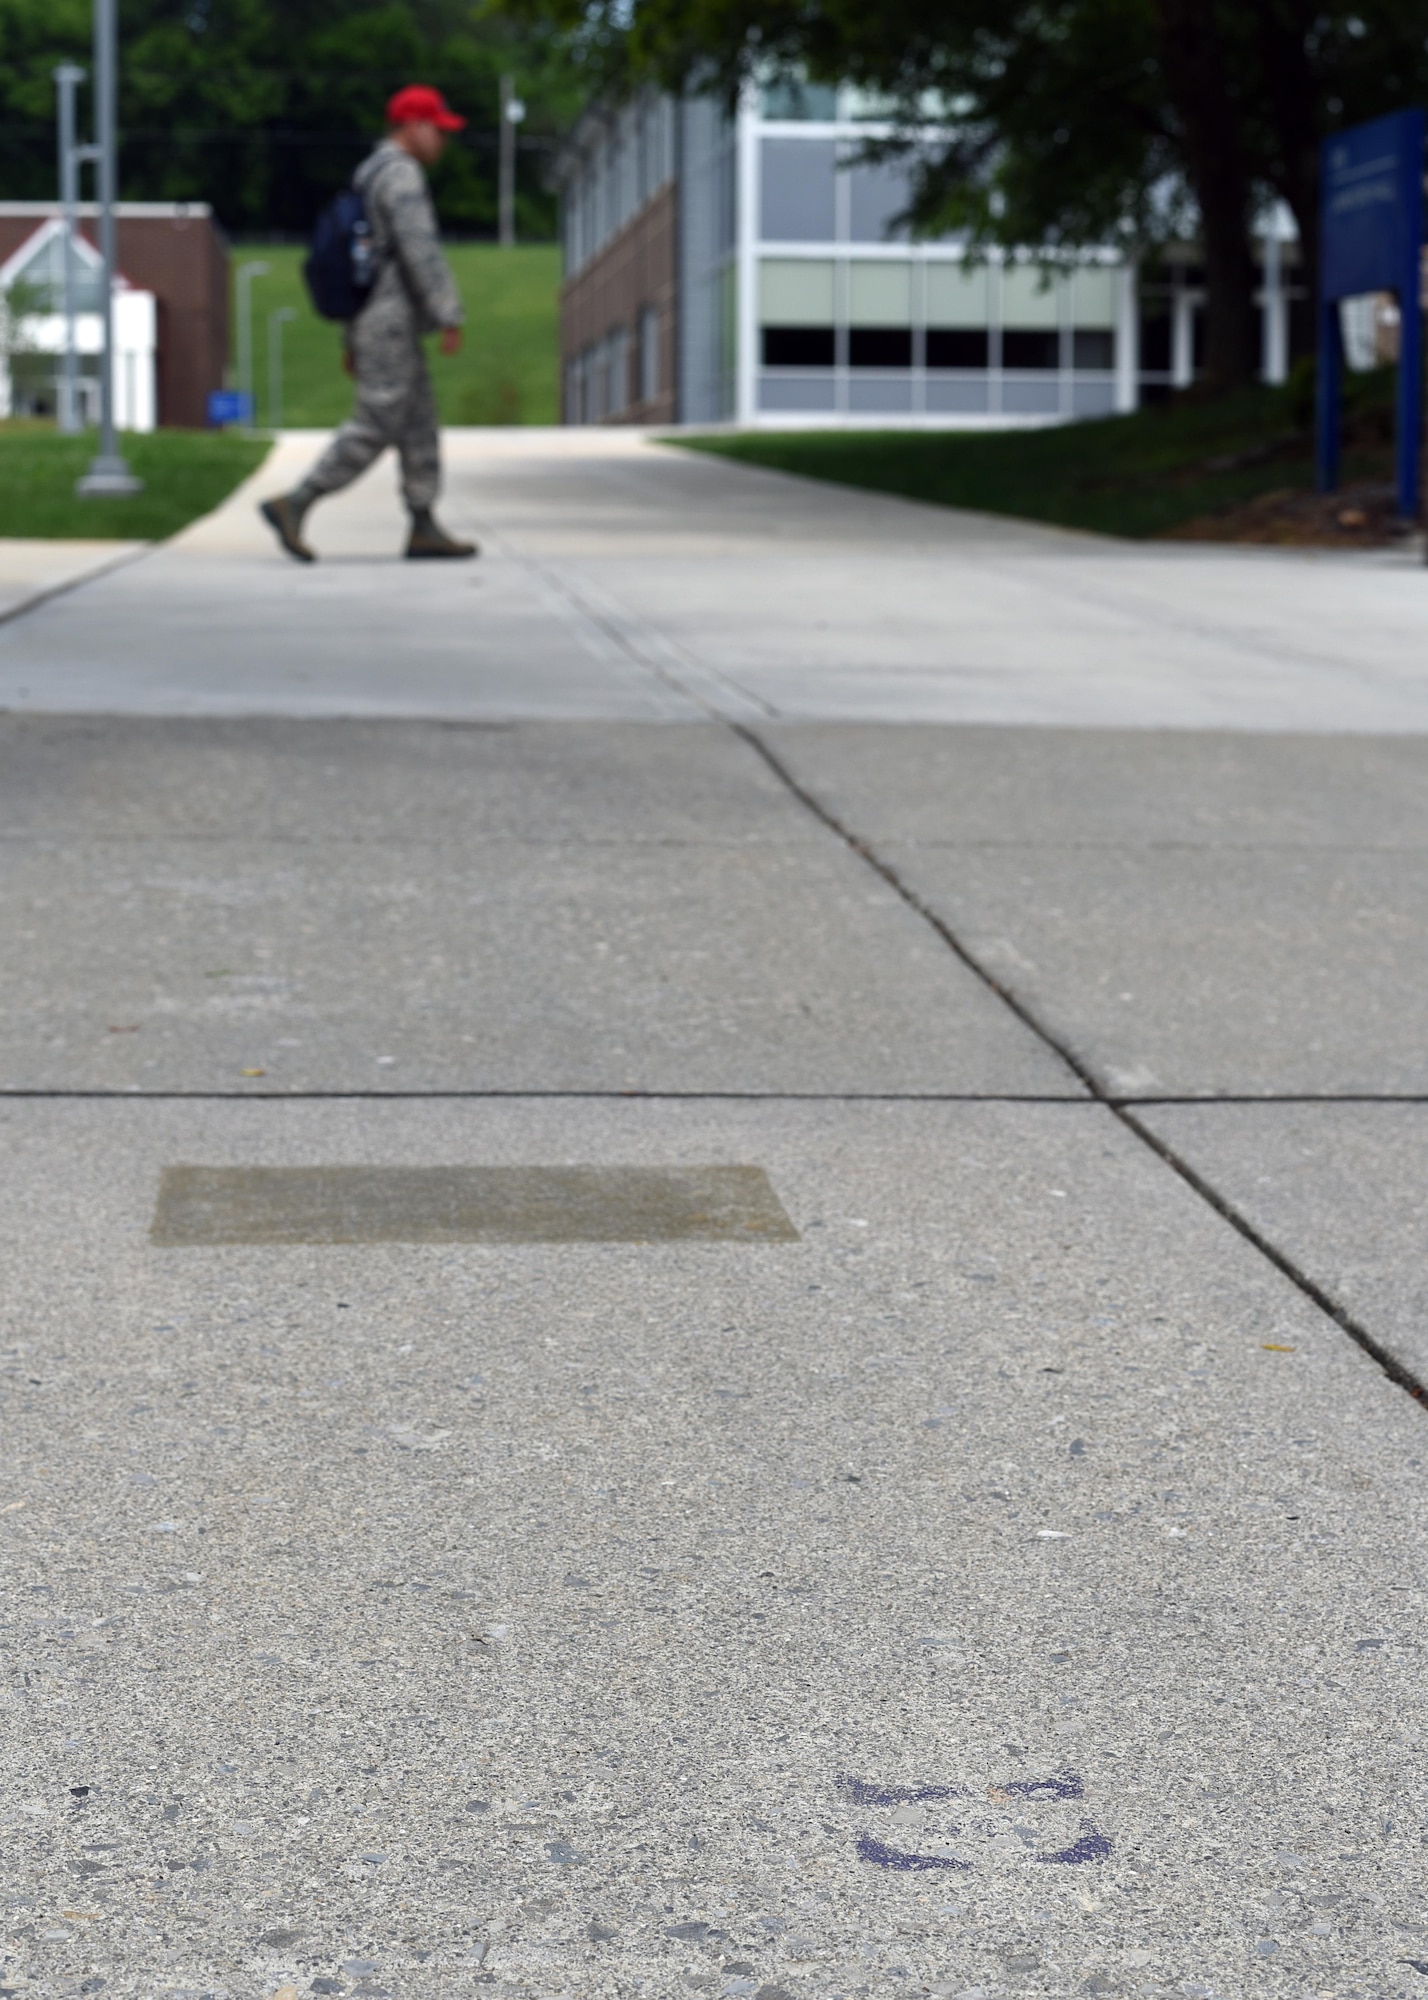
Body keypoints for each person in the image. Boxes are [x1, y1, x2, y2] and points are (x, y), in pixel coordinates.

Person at [261, 84, 477, 563]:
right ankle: (296, 502)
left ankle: (423, 523)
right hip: (390, 321)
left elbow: (362, 259)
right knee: (376, 422)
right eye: (437, 130)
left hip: (375, 319)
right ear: (413, 127)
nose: (442, 140)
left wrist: (351, 336)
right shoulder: (400, 176)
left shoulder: (368, 175)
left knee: (419, 420)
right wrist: (449, 314)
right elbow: (420, 250)